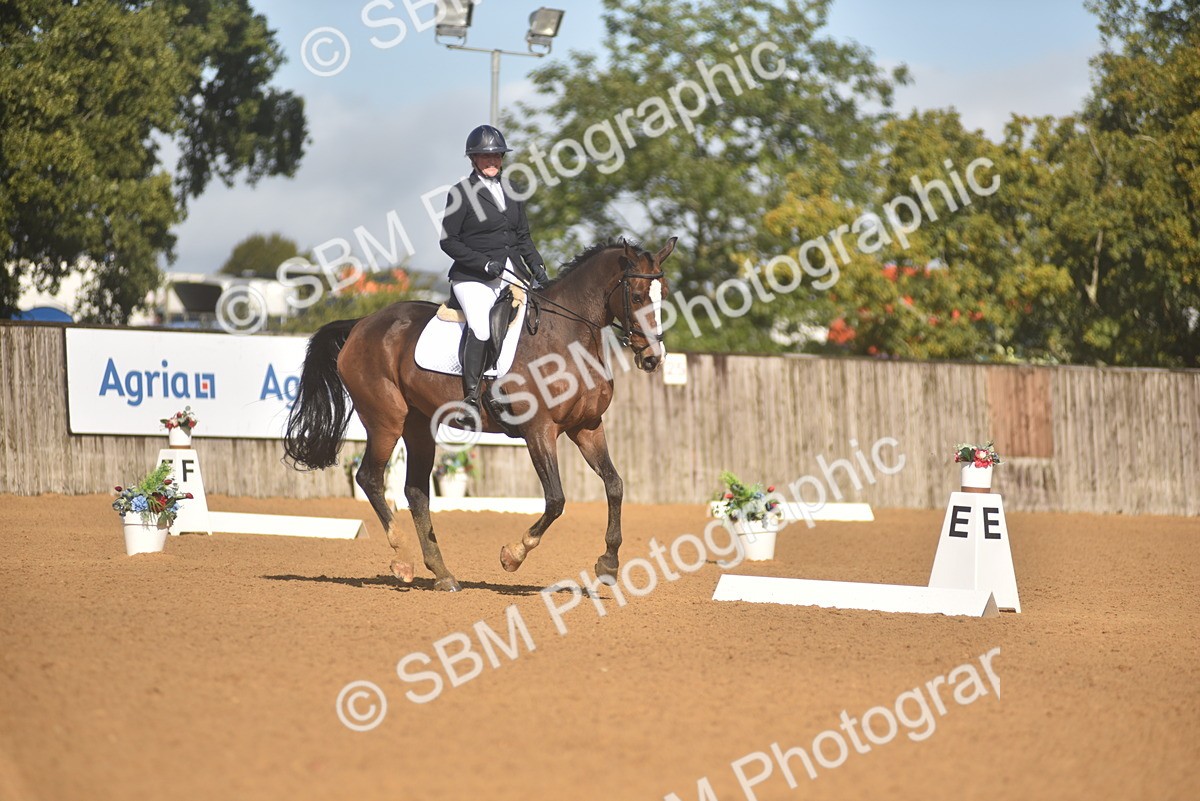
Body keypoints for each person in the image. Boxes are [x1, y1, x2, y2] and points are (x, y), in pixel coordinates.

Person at [440, 124, 549, 427]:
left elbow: (523, 237)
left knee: (537, 319)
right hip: (472, 277)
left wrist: (538, 267)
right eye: (484, 157)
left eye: (496, 156)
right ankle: (471, 399)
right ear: (473, 159)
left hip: (510, 271)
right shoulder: (461, 193)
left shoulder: (512, 191)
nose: (491, 162)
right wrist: (483, 264)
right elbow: (448, 241)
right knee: (482, 327)